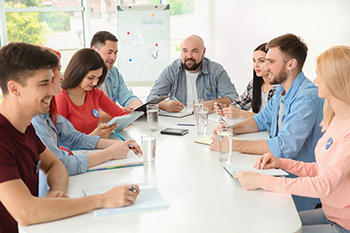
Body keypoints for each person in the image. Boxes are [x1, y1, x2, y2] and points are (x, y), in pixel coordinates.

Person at [0, 42, 139, 233]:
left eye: (52, 81)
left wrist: (58, 190)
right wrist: (103, 199)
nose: (55, 91)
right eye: (44, 83)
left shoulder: (25, 127)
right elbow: (26, 212)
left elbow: (55, 164)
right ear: (15, 89)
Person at [233, 45, 350, 233]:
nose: (315, 80)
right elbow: (320, 169)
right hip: (330, 215)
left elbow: (323, 185)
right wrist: (282, 163)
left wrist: (262, 182)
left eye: (320, 75)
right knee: (267, 223)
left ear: (336, 80)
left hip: (342, 225)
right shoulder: (336, 120)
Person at [210, 33, 324, 211]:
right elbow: (260, 120)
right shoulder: (283, 90)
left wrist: (231, 144)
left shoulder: (306, 97)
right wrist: (229, 131)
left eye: (270, 61)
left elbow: (284, 146)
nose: (264, 66)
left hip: (300, 191)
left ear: (291, 64)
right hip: (280, 173)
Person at [31, 48, 142, 196]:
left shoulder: (45, 113)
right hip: (48, 189)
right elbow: (61, 162)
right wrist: (109, 153)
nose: (62, 78)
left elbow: (75, 137)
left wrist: (120, 145)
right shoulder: (37, 117)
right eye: (58, 71)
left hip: (62, 182)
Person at [147, 34, 238, 113]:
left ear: (203, 52)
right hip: (177, 120)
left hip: (206, 118)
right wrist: (165, 105)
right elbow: (151, 98)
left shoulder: (216, 70)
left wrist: (214, 103)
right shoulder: (171, 70)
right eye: (185, 51)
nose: (189, 56)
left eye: (194, 51)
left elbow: (233, 96)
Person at [56, 48, 129, 138]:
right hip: (73, 151)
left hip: (95, 148)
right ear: (78, 72)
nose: (95, 83)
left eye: (98, 78)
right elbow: (59, 141)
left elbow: (122, 115)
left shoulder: (95, 93)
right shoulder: (61, 98)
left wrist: (110, 128)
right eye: (91, 78)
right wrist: (93, 137)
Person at [214, 43, 277, 119]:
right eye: (254, 61)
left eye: (261, 61)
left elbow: (271, 119)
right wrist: (228, 110)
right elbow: (239, 104)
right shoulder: (253, 84)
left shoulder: (279, 88)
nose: (256, 65)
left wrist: (240, 113)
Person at [91, 31, 143, 122]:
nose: (114, 57)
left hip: (112, 127)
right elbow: (89, 115)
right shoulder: (85, 78)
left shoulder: (114, 72)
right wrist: (118, 113)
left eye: (115, 53)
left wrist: (141, 108)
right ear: (95, 50)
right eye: (109, 52)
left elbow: (127, 97)